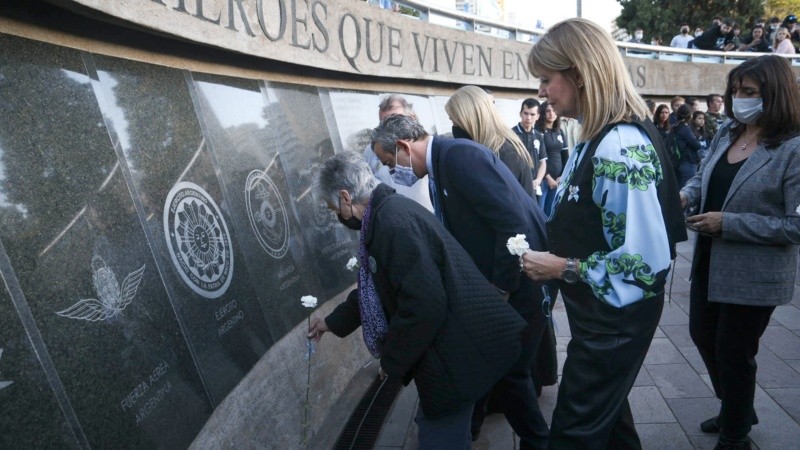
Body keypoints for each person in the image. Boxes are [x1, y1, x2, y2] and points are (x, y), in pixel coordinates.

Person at [522, 18, 685, 449]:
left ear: (579, 73)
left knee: (574, 434)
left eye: (545, 79)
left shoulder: (619, 145)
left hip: (615, 322)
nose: (541, 93)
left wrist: (561, 267)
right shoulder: (595, 138)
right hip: (602, 317)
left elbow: (646, 264)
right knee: (609, 424)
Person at [308, 152, 527, 450]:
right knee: (442, 429)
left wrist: (393, 362)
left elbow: (423, 304)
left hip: (455, 352)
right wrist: (331, 322)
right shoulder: (385, 213)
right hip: (456, 346)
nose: (336, 213)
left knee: (439, 437)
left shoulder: (391, 226)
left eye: (333, 206)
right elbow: (378, 290)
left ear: (346, 197)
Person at [371, 114, 550, 449]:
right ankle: (469, 433)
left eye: (388, 162)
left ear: (402, 146)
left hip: (519, 283)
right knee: (488, 365)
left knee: (508, 372)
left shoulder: (459, 158)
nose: (392, 172)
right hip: (501, 285)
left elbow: (511, 221)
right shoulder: (444, 163)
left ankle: (539, 442)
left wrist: (501, 289)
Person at [680, 54, 800, 450]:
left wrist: (728, 223)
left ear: (775, 95)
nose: (738, 99)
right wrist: (685, 196)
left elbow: (795, 224)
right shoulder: (728, 131)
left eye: (749, 92)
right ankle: (738, 407)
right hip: (709, 261)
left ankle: (735, 434)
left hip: (755, 273)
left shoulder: (793, 148)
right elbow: (703, 176)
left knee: (734, 352)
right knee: (702, 334)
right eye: (735, 91)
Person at [446, 85, 535, 197]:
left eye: (455, 122)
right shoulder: (487, 148)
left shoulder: (504, 153)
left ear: (469, 120)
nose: (454, 127)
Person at [363, 94, 433, 211]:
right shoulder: (371, 151)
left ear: (412, 118)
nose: (389, 129)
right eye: (383, 123)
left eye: (395, 120)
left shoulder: (427, 146)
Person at [535, 101, 569, 216]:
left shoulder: (560, 131)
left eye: (554, 110)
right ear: (543, 114)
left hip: (557, 181)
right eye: (548, 111)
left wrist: (561, 176)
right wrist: (548, 178)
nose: (551, 113)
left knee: (551, 213)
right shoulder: (537, 132)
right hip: (544, 180)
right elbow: (537, 158)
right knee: (540, 213)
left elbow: (565, 156)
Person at [513, 98, 548, 197]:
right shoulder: (511, 135)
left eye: (532, 114)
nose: (528, 118)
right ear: (520, 114)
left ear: (538, 116)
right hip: (517, 187)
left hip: (535, 188)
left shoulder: (538, 136)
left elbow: (543, 162)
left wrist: (538, 180)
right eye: (526, 113)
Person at [672, 104, 703, 187]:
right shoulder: (684, 128)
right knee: (687, 189)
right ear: (690, 115)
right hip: (687, 162)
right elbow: (696, 145)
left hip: (679, 162)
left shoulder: (675, 127)